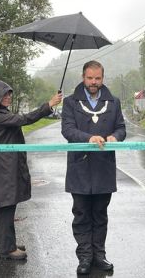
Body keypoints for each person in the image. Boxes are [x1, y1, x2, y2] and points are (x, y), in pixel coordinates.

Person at [0, 80, 62, 260]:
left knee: (9, 205)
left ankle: (6, 242)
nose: (9, 97)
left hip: (7, 165)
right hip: (3, 167)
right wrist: (48, 105)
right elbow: (25, 119)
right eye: (4, 94)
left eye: (10, 93)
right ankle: (5, 249)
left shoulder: (1, 113)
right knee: (6, 206)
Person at [61, 60, 126, 275]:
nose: (93, 82)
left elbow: (121, 128)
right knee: (81, 215)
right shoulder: (70, 102)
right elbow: (68, 130)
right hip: (79, 168)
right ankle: (85, 257)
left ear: (102, 78)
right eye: (90, 78)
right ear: (83, 77)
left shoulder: (114, 102)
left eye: (97, 78)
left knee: (100, 214)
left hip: (103, 168)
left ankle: (99, 255)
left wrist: (115, 137)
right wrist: (89, 138)